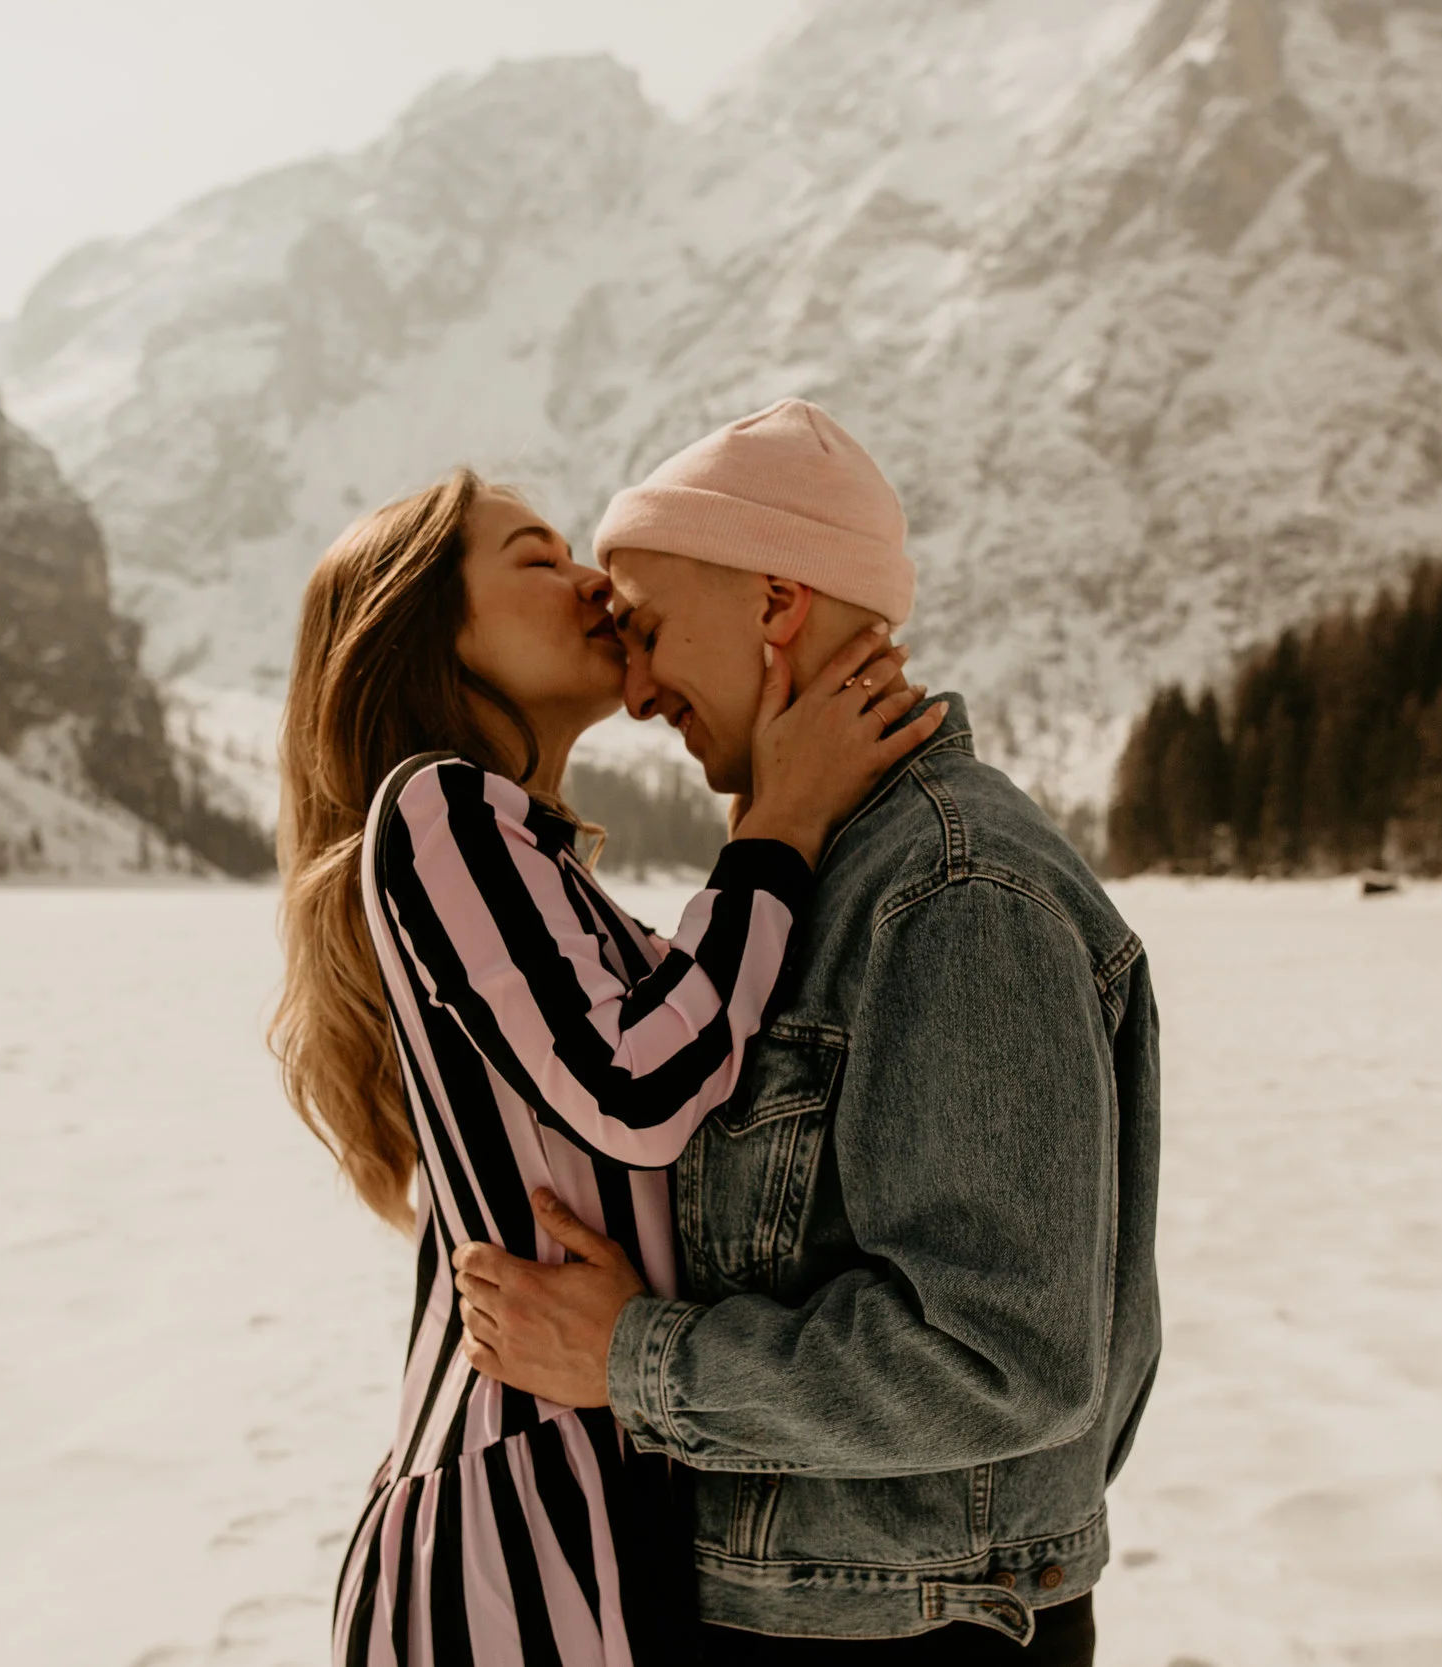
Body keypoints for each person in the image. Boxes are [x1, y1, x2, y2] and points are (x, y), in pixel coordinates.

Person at [451, 401, 1163, 1664]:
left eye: (652, 626)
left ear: (777, 604)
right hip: (834, 1606)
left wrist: (633, 1360)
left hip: (904, 1624)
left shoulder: (953, 889)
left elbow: (1000, 1358)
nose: (636, 682)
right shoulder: (814, 873)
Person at [271, 465, 947, 1667]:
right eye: (535, 558)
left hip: (593, 1488)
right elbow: (640, 1087)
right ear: (424, 630)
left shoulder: (531, 866)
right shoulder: (437, 809)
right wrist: (778, 826)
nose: (592, 579)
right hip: (513, 1524)